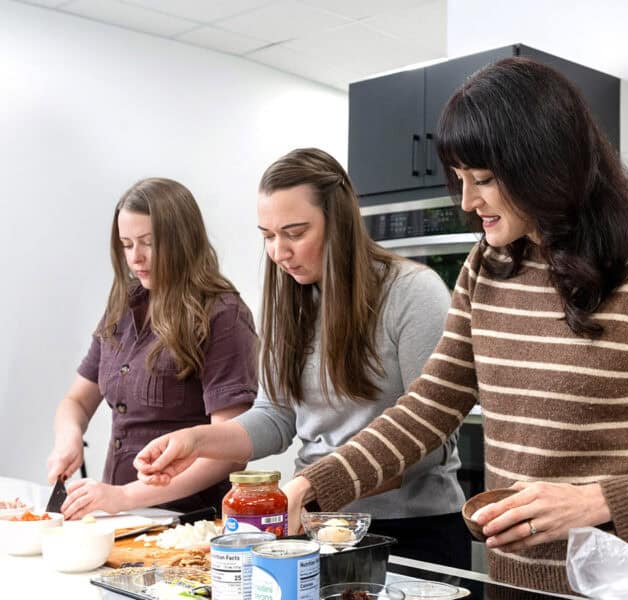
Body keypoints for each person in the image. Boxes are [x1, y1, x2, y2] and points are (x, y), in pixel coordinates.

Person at [259, 58, 628, 593]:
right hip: (513, 586)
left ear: (545, 164)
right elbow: (427, 409)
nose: (466, 201)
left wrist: (595, 503)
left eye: (482, 179)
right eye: (460, 179)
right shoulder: (487, 265)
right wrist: (310, 486)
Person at [134, 149, 471, 568]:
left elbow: (428, 436)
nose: (278, 251)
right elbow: (275, 417)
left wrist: (311, 486)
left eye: (294, 233)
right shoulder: (289, 304)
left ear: (340, 222)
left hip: (411, 532)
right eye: (268, 236)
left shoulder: (413, 293)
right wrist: (197, 441)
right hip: (312, 524)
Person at [47, 178, 258, 519]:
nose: (136, 258)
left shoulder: (223, 315)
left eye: (148, 243)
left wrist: (125, 496)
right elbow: (76, 402)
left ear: (183, 240)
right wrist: (68, 436)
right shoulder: (121, 306)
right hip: (117, 516)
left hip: (189, 521)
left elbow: (231, 451)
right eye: (126, 244)